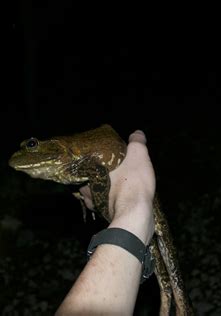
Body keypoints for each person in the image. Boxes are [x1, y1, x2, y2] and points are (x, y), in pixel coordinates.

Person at [56, 130, 156, 315]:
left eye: (32, 145)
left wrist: (116, 209)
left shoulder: (70, 161)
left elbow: (98, 172)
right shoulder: (68, 168)